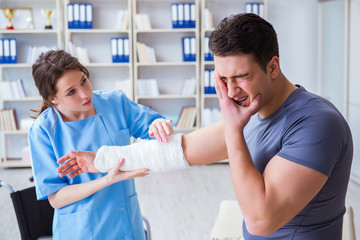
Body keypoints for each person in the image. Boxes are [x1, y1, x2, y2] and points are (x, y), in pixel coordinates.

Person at [57, 13, 353, 240]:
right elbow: (182, 150)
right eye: (222, 79)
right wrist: (100, 159)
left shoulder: (316, 124)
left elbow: (261, 221)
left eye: (240, 77)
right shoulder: (256, 108)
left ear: (273, 67)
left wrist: (234, 130)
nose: (231, 91)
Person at [29, 49, 176, 240]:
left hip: (126, 223)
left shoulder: (114, 102)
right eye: (71, 92)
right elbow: (56, 198)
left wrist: (158, 125)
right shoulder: (43, 130)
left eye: (83, 81)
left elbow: (156, 130)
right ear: (53, 99)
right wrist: (106, 180)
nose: (84, 94)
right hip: (81, 231)